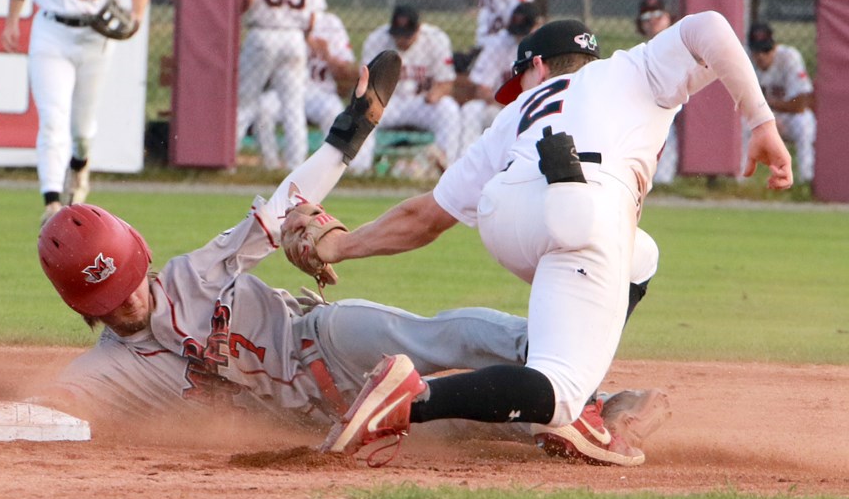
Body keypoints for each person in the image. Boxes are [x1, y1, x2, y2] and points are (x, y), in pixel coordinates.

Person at [37, 55, 669, 463]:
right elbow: (53, 409)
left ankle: (587, 388)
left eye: (127, 283)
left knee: (443, 335)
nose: (127, 302)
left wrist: (347, 136)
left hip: (323, 341)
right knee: (475, 429)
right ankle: (561, 418)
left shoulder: (195, 272)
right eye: (107, 301)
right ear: (81, 307)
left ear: (140, 258)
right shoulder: (109, 371)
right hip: (308, 419)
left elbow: (285, 205)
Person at [287, 12, 793, 466]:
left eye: (520, 77)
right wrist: (761, 121)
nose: (518, 88)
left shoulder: (513, 116)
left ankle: (566, 388)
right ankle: (412, 400)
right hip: (584, 208)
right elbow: (709, 26)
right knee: (560, 391)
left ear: (542, 68)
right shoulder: (633, 69)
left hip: (507, 213)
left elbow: (425, 218)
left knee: (640, 255)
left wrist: (337, 245)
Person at [2, 0, 152, 226]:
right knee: (52, 118)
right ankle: (52, 200)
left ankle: (79, 165)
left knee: (81, 130)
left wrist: (137, 15)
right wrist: (13, 20)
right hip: (51, 30)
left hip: (95, 34)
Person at [235, 0, 327, 172]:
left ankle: (228, 161)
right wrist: (305, 34)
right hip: (294, 36)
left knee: (245, 101)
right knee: (293, 106)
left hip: (263, 33)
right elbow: (313, 13)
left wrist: (237, 14)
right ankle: (296, 167)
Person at [252, 12, 360, 172]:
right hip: (284, 91)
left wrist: (326, 54)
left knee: (334, 113)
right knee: (262, 109)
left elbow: (347, 74)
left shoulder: (330, 23)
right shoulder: (281, 21)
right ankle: (271, 166)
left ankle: (328, 171)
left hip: (321, 93)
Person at [358, 5, 463, 169]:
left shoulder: (436, 39)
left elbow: (446, 82)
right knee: (363, 111)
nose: (401, 40)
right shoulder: (376, 39)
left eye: (407, 36)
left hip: (422, 103)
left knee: (449, 109)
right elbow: (366, 83)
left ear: (418, 29)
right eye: (398, 35)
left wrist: (435, 94)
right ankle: (359, 169)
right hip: (387, 104)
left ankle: (446, 166)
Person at [460, 2, 541, 157]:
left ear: (538, 25)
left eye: (524, 31)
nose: (519, 36)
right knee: (471, 109)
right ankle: (464, 161)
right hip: (500, 108)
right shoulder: (499, 42)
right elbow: (482, 89)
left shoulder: (547, 45)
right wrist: (506, 104)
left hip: (535, 110)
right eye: (516, 31)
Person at [745, 22, 816, 183]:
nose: (761, 56)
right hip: (760, 117)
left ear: (774, 46)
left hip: (787, 117)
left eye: (766, 50)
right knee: (741, 125)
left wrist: (770, 108)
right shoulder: (744, 61)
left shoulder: (789, 57)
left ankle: (807, 179)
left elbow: (801, 104)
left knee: (805, 123)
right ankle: (738, 179)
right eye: (757, 51)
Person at [635, 0, 679, 184]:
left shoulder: (681, 42)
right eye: (647, 17)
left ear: (668, 17)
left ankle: (663, 181)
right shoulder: (639, 52)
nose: (653, 21)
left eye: (658, 15)